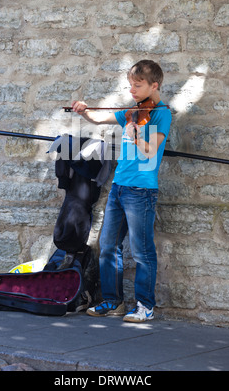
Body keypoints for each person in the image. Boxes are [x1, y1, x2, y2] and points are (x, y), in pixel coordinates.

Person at [71, 59, 172, 322]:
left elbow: (150, 151)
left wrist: (135, 134)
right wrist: (83, 111)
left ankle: (145, 306)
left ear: (154, 85)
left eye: (138, 86)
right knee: (108, 246)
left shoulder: (160, 114)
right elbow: (97, 117)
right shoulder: (132, 112)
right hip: (119, 187)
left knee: (141, 251)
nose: (132, 90)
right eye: (130, 85)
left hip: (142, 191)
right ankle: (113, 301)